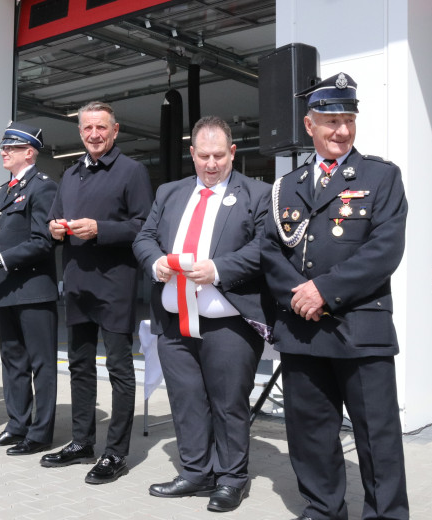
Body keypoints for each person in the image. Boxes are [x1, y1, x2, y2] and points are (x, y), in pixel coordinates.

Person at [262, 72, 409, 520]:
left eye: (349, 120)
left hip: (360, 328)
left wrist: (323, 291)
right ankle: (323, 509)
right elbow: (270, 250)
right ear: (310, 125)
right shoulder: (287, 186)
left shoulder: (381, 176)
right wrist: (299, 297)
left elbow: (384, 250)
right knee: (310, 431)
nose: (342, 130)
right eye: (331, 121)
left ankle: (386, 514)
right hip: (302, 330)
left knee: (377, 435)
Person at [132, 116, 272, 513]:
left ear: (233, 152)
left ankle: (231, 479)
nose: (211, 164)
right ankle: (195, 472)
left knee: (228, 403)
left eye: (219, 156)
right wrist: (156, 261)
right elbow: (145, 237)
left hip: (229, 324)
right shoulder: (169, 192)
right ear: (192, 153)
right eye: (204, 156)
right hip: (174, 322)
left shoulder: (258, 193)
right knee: (186, 400)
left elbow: (265, 247)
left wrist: (219, 269)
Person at [44, 101, 153, 483]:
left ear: (115, 130)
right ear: (80, 132)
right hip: (77, 282)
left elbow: (145, 226)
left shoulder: (132, 171)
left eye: (101, 127)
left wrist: (101, 229)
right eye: (87, 128)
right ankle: (81, 442)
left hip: (115, 285)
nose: (94, 134)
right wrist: (54, 228)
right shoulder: (70, 174)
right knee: (79, 365)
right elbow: (53, 219)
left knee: (119, 368)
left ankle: (116, 453)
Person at [0, 122, 58, 456]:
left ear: (30, 152)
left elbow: (43, 241)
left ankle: (40, 433)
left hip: (33, 289)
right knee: (13, 363)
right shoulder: (3, 191)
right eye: (4, 147)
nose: (4, 152)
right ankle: (17, 425)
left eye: (11, 147)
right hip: (6, 289)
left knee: (41, 365)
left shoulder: (43, 187)